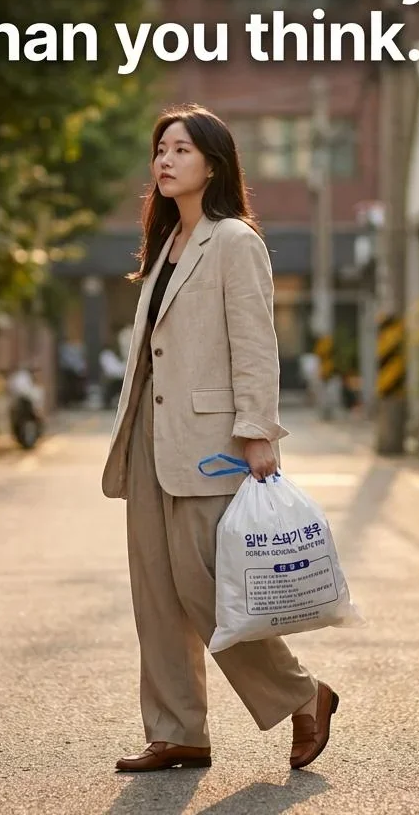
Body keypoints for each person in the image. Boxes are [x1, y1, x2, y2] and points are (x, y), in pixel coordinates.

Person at [101, 104, 340, 774]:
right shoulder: (164, 246)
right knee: (155, 590)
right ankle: (178, 730)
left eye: (180, 149)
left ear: (213, 163)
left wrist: (257, 431)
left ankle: (305, 695)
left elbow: (255, 344)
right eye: (160, 150)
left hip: (212, 441)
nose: (165, 160)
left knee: (206, 589)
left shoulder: (233, 240)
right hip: (150, 437)